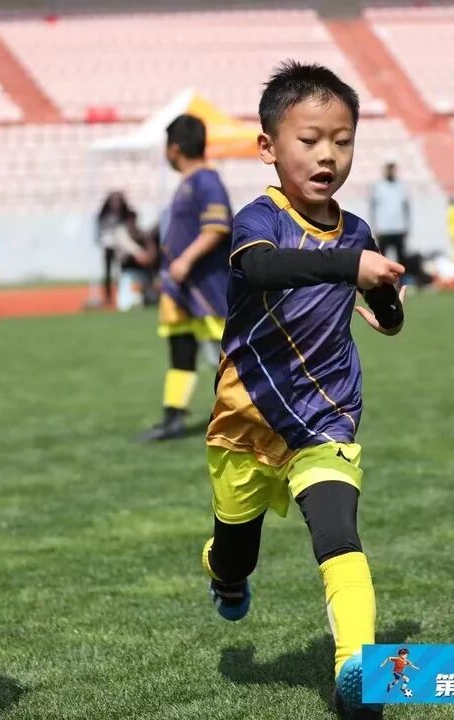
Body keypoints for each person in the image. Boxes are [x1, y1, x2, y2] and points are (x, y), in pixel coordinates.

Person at [200, 61, 406, 720]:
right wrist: (350, 266)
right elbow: (264, 269)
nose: (327, 156)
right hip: (247, 417)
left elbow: (381, 298)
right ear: (268, 147)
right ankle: (225, 574)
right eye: (310, 139)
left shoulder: (358, 232)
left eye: (342, 141)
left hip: (326, 416)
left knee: (339, 533)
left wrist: (388, 306)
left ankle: (357, 670)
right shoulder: (259, 219)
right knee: (236, 555)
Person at [138, 114, 232, 441]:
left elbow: (217, 228)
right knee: (180, 349)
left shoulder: (207, 181)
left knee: (228, 355)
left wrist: (185, 260)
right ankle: (173, 417)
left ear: (174, 149)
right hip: (181, 289)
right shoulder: (190, 182)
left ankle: (252, 413)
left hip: (206, 287)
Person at [369, 161, 410, 269]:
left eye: (392, 168)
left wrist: (407, 226)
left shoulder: (401, 186)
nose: (390, 171)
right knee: (382, 259)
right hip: (383, 229)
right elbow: (373, 209)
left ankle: (402, 278)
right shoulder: (378, 187)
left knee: (401, 259)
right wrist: (374, 227)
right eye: (388, 168)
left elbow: (406, 208)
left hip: (399, 228)